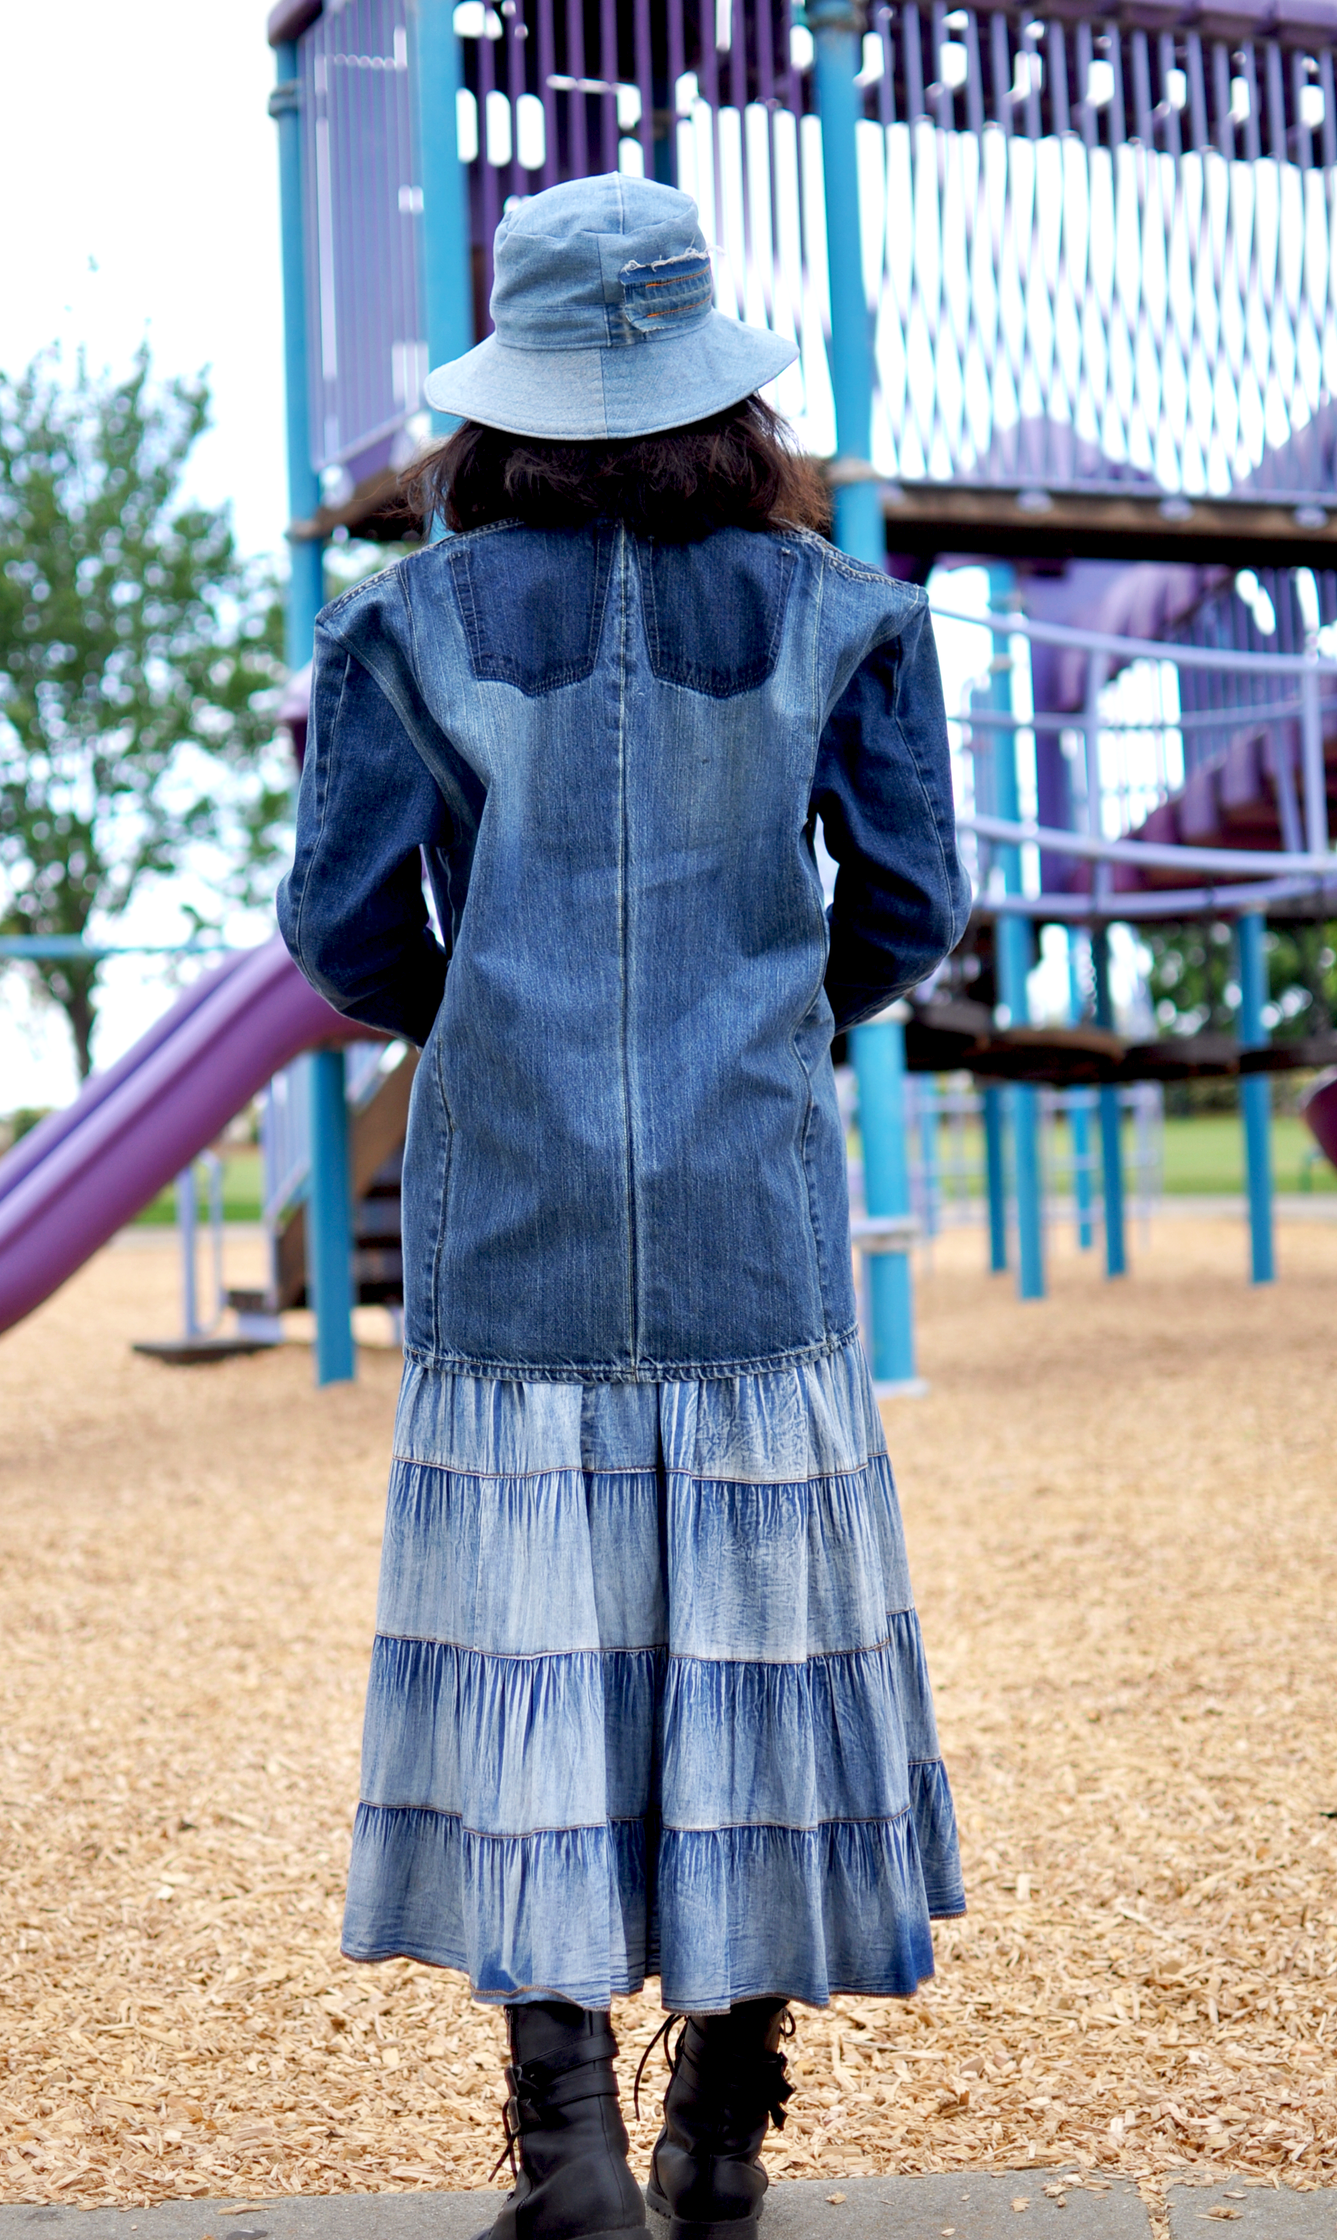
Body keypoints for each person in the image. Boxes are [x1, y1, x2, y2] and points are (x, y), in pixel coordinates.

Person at [278, 174, 968, 2240]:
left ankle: (563, 2150)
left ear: (505, 403)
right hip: (756, 1221)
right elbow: (914, 913)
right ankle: (725, 2147)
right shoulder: (846, 618)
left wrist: (480, 1022)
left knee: (531, 1663)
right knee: (758, 1657)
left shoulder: (406, 622)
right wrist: (767, 1016)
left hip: (516, 1233)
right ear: (715, 388)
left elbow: (339, 929)